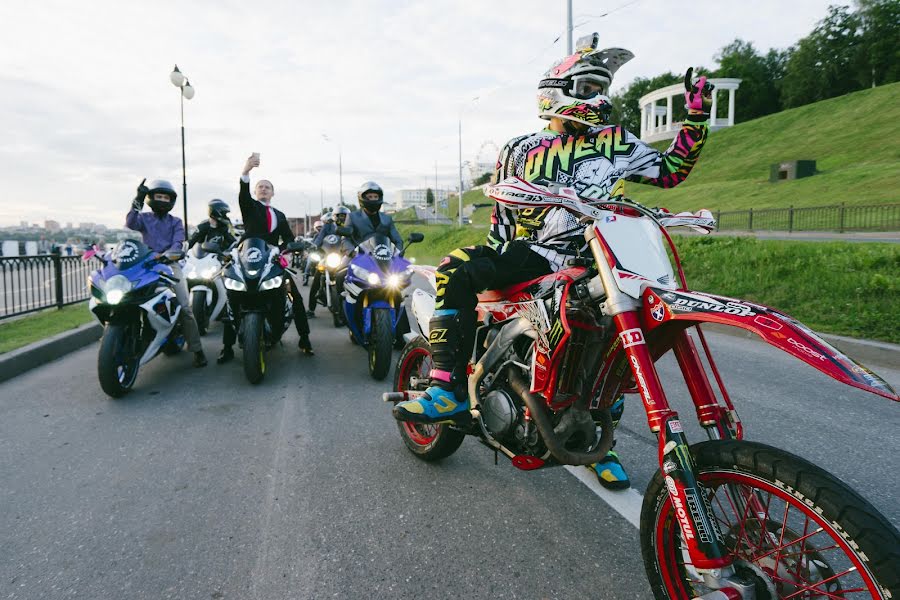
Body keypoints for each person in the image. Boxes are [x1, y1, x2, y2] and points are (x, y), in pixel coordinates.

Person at [392, 34, 714, 490]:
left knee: (611, 346)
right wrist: (496, 256)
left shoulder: (616, 140)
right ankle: (446, 388)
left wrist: (696, 115)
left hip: (604, 255)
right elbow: (503, 213)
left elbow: (672, 170)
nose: (598, 98)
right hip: (535, 251)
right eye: (586, 88)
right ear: (555, 90)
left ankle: (600, 442)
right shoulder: (520, 148)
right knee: (456, 267)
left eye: (601, 88)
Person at [217, 154, 314, 363]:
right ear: (255, 191)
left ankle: (305, 339)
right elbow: (243, 195)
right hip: (248, 257)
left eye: (267, 187)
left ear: (273, 193)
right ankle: (227, 348)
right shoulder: (250, 207)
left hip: (271, 259)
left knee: (294, 295)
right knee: (233, 293)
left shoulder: (279, 215)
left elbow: (287, 238)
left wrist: (288, 248)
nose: (263, 189)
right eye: (260, 187)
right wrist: (245, 172)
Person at [126, 178, 208, 367]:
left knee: (184, 308)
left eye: (165, 197)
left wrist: (166, 255)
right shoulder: (144, 219)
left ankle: (197, 350)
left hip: (170, 265)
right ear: (151, 198)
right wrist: (137, 198)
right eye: (158, 196)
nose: (162, 200)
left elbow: (178, 242)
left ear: (170, 201)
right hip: (146, 267)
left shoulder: (176, 222)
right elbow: (130, 222)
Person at [347, 182, 403, 249]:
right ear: (362, 198)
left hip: (384, 256)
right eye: (370, 197)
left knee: (406, 260)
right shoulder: (352, 217)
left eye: (376, 197)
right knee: (344, 260)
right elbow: (346, 239)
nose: (373, 199)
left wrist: (398, 252)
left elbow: (397, 240)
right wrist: (351, 252)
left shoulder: (387, 219)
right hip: (359, 257)